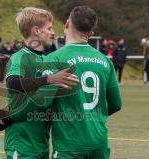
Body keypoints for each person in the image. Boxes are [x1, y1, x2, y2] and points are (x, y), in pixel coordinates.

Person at [44, 6, 121, 159]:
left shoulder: (54, 58)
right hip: (99, 143)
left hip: (69, 144)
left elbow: (42, 102)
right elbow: (116, 104)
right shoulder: (105, 61)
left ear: (66, 24)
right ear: (91, 34)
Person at [1, 7, 79, 159]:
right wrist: (49, 79)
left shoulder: (45, 60)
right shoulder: (20, 57)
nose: (53, 32)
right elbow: (13, 83)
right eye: (49, 28)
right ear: (36, 30)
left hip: (41, 143)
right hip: (22, 144)